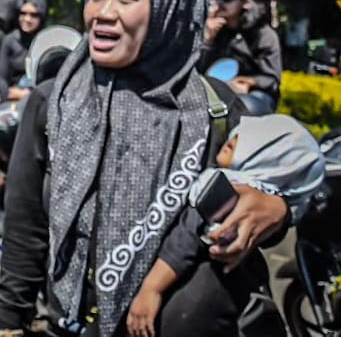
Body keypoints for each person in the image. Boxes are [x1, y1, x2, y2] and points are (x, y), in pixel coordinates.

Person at [0, 0, 289, 337]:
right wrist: (7, 325)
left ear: (169, 10)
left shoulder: (215, 108)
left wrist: (276, 211)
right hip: (72, 325)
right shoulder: (51, 103)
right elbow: (25, 231)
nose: (103, 13)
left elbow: (257, 206)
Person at [128, 114, 324, 337]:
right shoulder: (257, 200)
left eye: (259, 143)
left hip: (189, 305)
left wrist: (151, 288)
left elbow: (185, 241)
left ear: (272, 162)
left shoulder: (227, 189)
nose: (236, 136)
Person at [199, 0, 282, 113]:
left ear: (246, 2)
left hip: (253, 94)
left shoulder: (263, 34)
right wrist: (207, 39)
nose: (220, 2)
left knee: (245, 105)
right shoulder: (214, 27)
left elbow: (271, 78)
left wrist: (247, 82)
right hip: (214, 89)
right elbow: (197, 70)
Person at [0, 0, 47, 101]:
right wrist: (6, 96)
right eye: (23, 14)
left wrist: (27, 94)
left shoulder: (48, 42)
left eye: (34, 15)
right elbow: (2, 78)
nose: (27, 19)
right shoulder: (10, 40)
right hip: (12, 96)